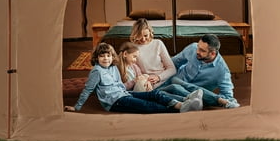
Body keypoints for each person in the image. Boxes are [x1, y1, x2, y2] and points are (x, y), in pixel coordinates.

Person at [64, 43, 203, 114]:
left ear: (112, 57)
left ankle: (181, 105)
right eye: (102, 56)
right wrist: (76, 107)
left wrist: (136, 83)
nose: (105, 58)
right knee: (147, 106)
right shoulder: (96, 71)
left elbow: (121, 86)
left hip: (124, 94)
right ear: (97, 58)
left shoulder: (113, 68)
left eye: (108, 55)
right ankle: (181, 109)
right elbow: (87, 90)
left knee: (155, 93)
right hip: (114, 102)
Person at [159, 33, 240, 108]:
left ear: (212, 53)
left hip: (189, 93)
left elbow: (228, 96)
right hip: (172, 82)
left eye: (202, 50)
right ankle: (187, 102)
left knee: (163, 93)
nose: (197, 51)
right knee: (169, 86)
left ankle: (184, 101)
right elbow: (174, 62)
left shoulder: (222, 71)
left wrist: (208, 98)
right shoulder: (193, 48)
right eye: (198, 47)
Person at [129, 18, 176, 88]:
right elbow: (134, 71)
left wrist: (158, 77)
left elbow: (172, 69)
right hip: (146, 82)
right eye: (139, 36)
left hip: (163, 79)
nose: (143, 39)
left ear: (150, 33)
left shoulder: (158, 43)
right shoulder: (132, 48)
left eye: (145, 36)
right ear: (135, 35)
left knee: (176, 86)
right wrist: (145, 80)